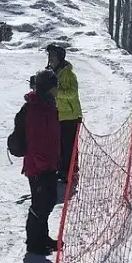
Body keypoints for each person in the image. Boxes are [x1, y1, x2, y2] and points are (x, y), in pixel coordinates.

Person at [21, 70, 61, 255]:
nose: (57, 89)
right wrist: (44, 164)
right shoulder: (36, 109)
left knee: (48, 201)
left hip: (48, 163)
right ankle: (34, 243)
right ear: (47, 87)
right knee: (41, 204)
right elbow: (35, 140)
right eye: (55, 86)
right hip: (38, 166)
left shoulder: (49, 105)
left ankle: (42, 237)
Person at [46, 44, 82, 182]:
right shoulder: (50, 73)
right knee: (59, 144)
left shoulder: (68, 74)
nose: (50, 59)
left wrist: (57, 92)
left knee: (68, 145)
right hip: (57, 114)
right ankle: (61, 169)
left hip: (70, 115)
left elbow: (72, 93)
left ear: (60, 58)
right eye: (49, 56)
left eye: (53, 57)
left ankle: (70, 171)